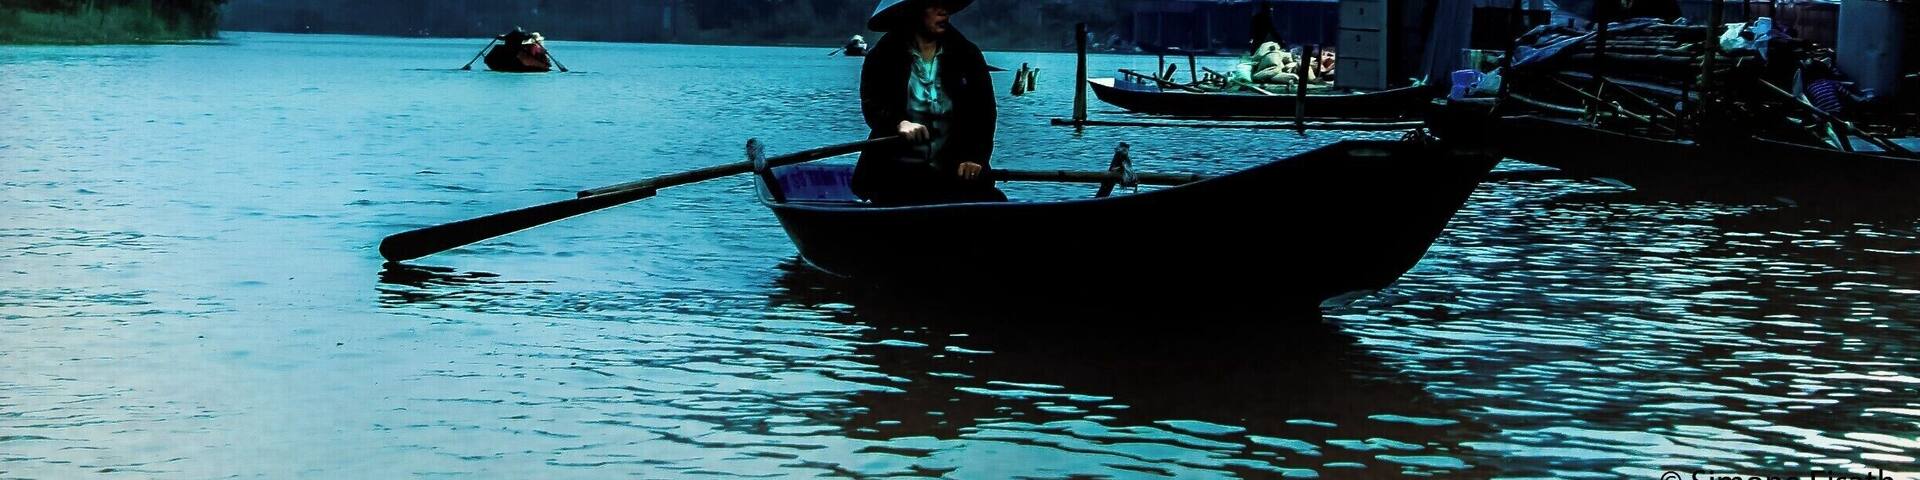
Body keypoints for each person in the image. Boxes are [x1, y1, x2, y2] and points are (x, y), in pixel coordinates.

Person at [852, 0, 1003, 205]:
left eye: (945, 3)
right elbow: (873, 104)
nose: (944, 10)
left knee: (992, 202)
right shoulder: (883, 56)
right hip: (897, 172)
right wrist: (900, 123)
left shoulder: (967, 54)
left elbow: (984, 114)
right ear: (913, 12)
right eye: (933, 5)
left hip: (953, 168)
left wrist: (976, 157)